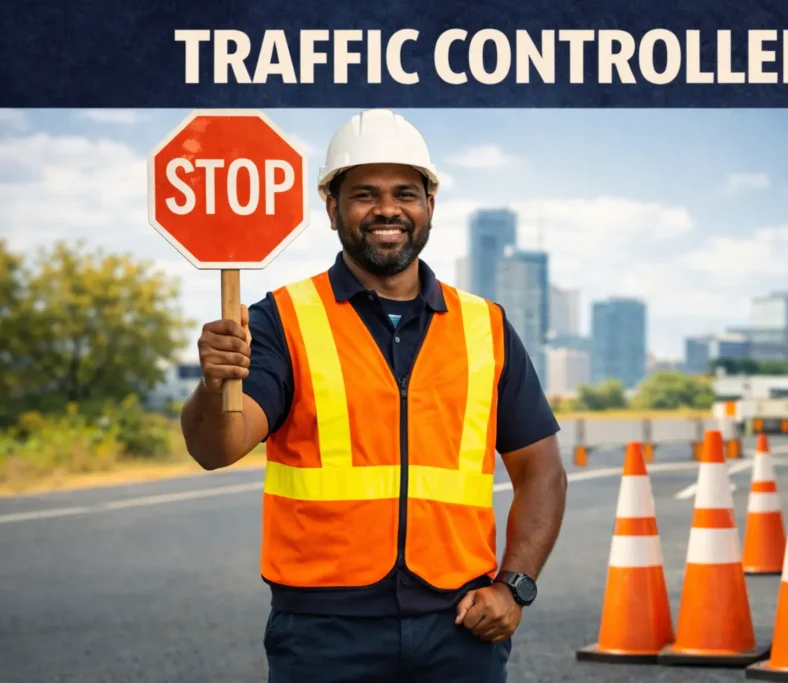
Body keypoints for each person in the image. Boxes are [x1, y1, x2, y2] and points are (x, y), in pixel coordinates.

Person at [179, 108, 568, 683]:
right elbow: (217, 447)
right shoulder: (282, 319)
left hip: (460, 628)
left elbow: (542, 471)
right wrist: (216, 386)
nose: (387, 209)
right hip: (323, 634)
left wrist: (514, 586)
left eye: (405, 193)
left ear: (429, 206)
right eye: (364, 194)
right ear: (332, 208)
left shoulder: (484, 326)